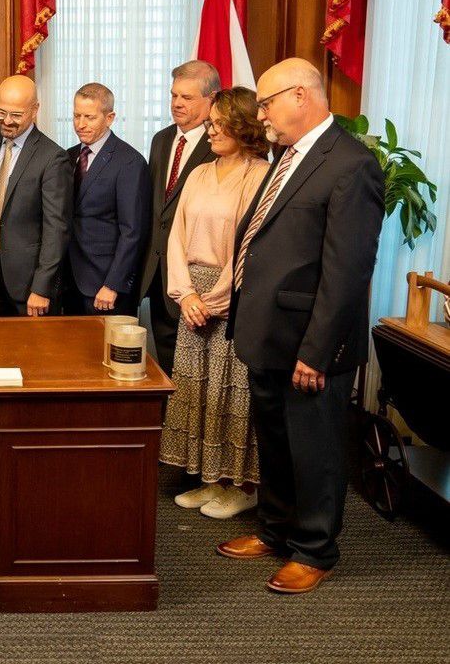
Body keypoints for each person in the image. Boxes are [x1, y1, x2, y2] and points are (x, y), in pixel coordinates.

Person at [219, 58, 384, 594]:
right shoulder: (290, 156)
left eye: (267, 103)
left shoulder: (351, 163)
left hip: (310, 344)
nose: (261, 114)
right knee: (275, 441)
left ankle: (315, 550)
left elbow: (347, 270)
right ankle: (275, 530)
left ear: (301, 96)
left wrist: (318, 351)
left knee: (314, 447)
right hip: (268, 333)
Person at [158, 86, 270, 520]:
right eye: (211, 123)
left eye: (220, 123)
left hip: (231, 298)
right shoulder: (201, 173)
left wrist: (215, 299)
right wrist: (185, 294)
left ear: (243, 126)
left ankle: (239, 486)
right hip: (191, 296)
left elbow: (249, 247)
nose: (211, 130)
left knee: (230, 391)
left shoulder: (260, 174)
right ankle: (209, 479)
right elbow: (177, 237)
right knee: (196, 389)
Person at [0, 75, 73, 317]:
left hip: (29, 282)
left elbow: (56, 229)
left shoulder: (52, 157)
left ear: (35, 110)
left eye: (16, 115)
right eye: (1, 113)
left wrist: (42, 287)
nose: (7, 121)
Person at [139, 61, 220, 374]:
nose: (176, 103)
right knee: (166, 361)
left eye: (187, 98)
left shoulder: (220, 146)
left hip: (198, 277)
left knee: (195, 369)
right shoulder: (161, 139)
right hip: (158, 271)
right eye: (174, 95)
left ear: (211, 100)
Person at [62, 82, 150, 315]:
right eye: (76, 116)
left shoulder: (129, 162)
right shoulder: (68, 157)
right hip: (69, 281)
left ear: (109, 118)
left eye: (89, 117)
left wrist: (113, 284)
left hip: (105, 286)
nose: (80, 124)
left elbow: (132, 232)